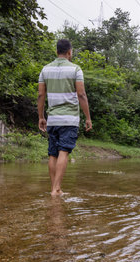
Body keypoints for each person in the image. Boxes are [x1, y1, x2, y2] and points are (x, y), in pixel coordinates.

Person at [37, 39, 92, 197]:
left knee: (52, 153)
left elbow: (41, 95)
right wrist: (88, 117)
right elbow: (81, 94)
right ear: (69, 52)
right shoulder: (76, 69)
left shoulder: (45, 70)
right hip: (69, 119)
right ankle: (56, 189)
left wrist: (41, 117)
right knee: (64, 151)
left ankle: (54, 188)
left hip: (52, 119)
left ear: (56, 52)